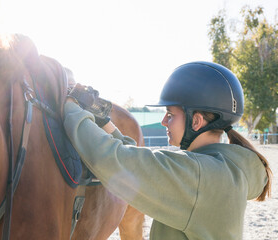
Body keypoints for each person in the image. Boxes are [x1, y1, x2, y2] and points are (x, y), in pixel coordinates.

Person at [63, 61, 272, 240]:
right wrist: (105, 122)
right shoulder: (226, 169)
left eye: (170, 114)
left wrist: (70, 106)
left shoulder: (198, 176)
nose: (163, 121)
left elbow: (113, 160)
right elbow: (141, 162)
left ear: (196, 121)